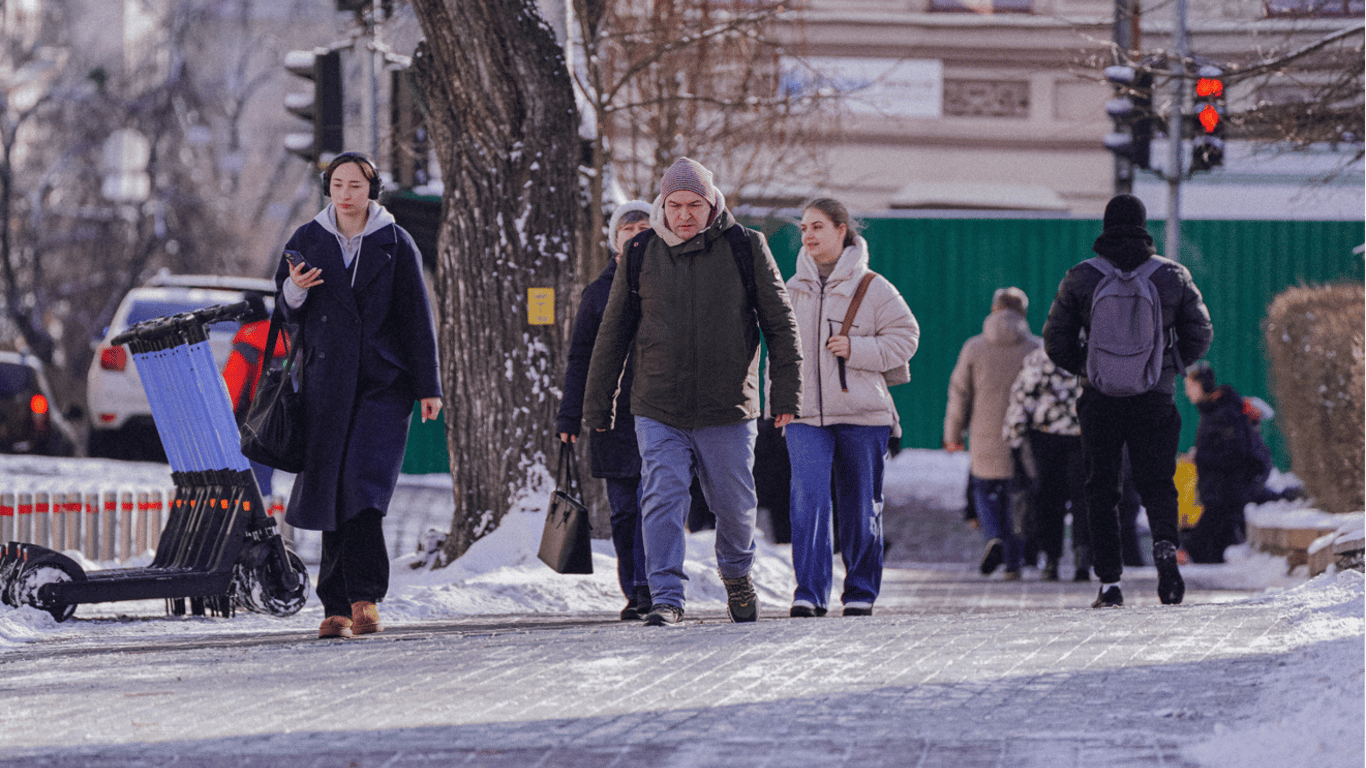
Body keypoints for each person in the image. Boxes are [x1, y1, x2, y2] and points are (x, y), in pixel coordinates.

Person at [583, 157, 802, 626]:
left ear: (712, 203)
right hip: (659, 405)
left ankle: (738, 576)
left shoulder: (746, 246)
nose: (685, 214)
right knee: (662, 496)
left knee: (735, 506)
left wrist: (785, 395)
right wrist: (598, 404)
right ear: (664, 203)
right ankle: (666, 596)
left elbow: (780, 324)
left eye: (695, 204)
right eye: (676, 204)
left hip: (728, 407)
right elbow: (613, 332)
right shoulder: (641, 250)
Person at [275, 151, 443, 639]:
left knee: (364, 492)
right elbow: (284, 312)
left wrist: (427, 387)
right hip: (325, 388)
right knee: (332, 491)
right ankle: (335, 608)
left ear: (373, 190)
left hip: (382, 385)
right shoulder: (307, 239)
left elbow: (417, 318)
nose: (346, 194)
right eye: (338, 185)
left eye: (356, 185)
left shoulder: (394, 241)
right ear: (329, 188)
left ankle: (365, 598)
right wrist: (295, 291)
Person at [1043, 193, 1212, 608]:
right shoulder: (1171, 276)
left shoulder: (1082, 277)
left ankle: (1110, 583)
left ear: (1105, 226)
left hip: (1099, 400)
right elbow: (1201, 332)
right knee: (1158, 483)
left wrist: (1088, 367)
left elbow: (1054, 339)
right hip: (1154, 397)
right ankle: (1166, 550)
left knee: (1101, 488)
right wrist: (1167, 364)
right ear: (1143, 226)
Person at [783, 197, 919, 618]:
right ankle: (809, 591)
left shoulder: (874, 287)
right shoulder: (791, 289)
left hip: (863, 416)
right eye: (804, 228)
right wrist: (780, 401)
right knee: (808, 500)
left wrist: (857, 349)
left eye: (817, 226)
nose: (808, 235)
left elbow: (906, 336)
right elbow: (778, 351)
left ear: (842, 230)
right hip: (805, 416)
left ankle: (860, 589)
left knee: (861, 504)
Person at [556, 200, 653, 620]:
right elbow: (580, 357)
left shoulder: (669, 285)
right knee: (625, 510)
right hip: (612, 417)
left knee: (659, 504)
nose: (635, 236)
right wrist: (569, 415)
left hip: (661, 414)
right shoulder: (597, 293)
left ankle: (657, 586)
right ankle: (634, 589)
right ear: (615, 241)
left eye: (644, 229)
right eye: (627, 230)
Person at [944, 287, 1041, 580]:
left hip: (983, 434)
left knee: (984, 491)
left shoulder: (973, 347)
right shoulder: (1036, 348)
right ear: (1023, 313)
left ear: (993, 309)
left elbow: (959, 394)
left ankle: (993, 538)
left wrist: (953, 433)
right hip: (1023, 438)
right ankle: (1013, 563)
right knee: (1017, 497)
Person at [1004, 346, 1086, 581]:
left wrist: (1015, 434)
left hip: (1046, 436)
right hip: (1085, 435)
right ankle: (1084, 557)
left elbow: (1023, 396)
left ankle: (1051, 561)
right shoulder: (1095, 352)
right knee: (1085, 498)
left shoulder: (1042, 357)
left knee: (1050, 498)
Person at [1181, 361, 1273, 564]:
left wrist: (1201, 457)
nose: (1187, 393)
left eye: (1189, 386)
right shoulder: (1213, 411)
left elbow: (1235, 453)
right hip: (1219, 494)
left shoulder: (1223, 413)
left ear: (1201, 384)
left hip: (1226, 494)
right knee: (1213, 551)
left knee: (1207, 547)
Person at [221, 292, 288, 497]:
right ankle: (266, 517)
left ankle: (248, 523)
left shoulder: (246, 344)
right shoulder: (284, 338)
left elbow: (231, 389)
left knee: (245, 480)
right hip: (281, 418)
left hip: (250, 421)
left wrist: (222, 422)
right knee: (264, 479)